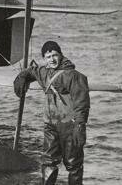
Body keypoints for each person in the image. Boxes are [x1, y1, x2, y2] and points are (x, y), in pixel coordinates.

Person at [13, 41, 90, 185]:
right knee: (48, 162)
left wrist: (80, 126)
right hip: (50, 126)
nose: (52, 59)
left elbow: (82, 104)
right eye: (48, 57)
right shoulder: (44, 72)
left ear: (61, 55)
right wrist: (21, 77)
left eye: (55, 55)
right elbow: (31, 70)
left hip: (70, 126)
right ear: (44, 58)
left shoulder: (73, 75)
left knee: (74, 165)